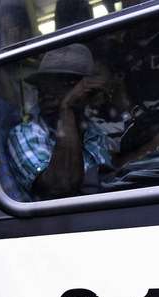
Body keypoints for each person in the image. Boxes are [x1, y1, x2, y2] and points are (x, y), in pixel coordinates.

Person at [7, 44, 113, 200]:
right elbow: (60, 187)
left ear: (85, 92)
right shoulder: (25, 133)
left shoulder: (92, 131)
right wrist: (66, 108)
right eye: (43, 88)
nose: (46, 95)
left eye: (58, 85)